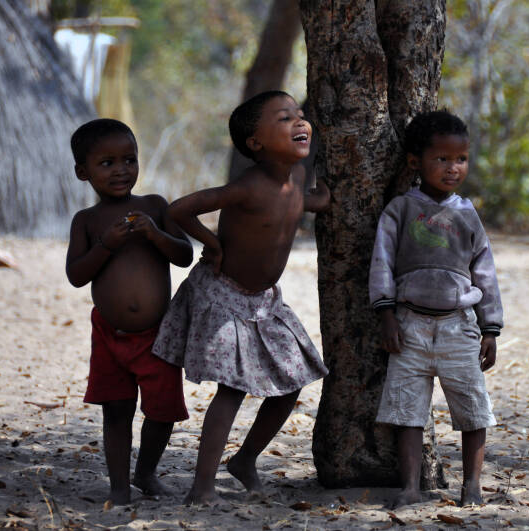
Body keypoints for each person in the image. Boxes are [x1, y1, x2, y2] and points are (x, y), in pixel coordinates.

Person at [152, 90, 330, 505]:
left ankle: (245, 459)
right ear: (256, 143)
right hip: (224, 295)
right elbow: (179, 209)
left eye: (301, 116)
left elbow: (300, 203)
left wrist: (323, 201)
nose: (300, 123)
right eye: (285, 118)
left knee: (291, 383)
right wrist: (211, 243)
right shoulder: (247, 187)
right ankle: (202, 486)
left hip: (265, 302)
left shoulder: (298, 178)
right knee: (232, 389)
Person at [369, 110, 504, 508]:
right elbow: (381, 263)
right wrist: (386, 314)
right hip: (408, 325)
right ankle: (410, 486)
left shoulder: (468, 214)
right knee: (408, 411)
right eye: (441, 159)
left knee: (473, 408)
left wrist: (491, 329)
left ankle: (472, 486)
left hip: (459, 328)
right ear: (416, 162)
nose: (452, 168)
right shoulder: (400, 210)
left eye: (460, 159)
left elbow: (486, 272)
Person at [65, 118, 193, 505]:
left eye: (129, 159)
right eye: (107, 163)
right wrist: (106, 244)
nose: (121, 170)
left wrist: (155, 233)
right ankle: (119, 486)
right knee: (117, 409)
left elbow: (185, 255)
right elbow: (76, 275)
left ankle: (147, 472)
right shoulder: (86, 221)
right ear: (83, 172)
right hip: (109, 335)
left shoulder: (154, 206)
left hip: (158, 334)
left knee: (163, 411)